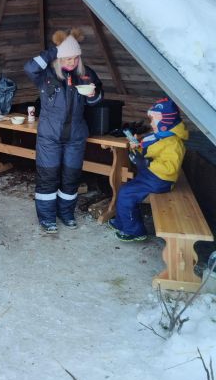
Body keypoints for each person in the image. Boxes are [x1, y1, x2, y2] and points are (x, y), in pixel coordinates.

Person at [24, 28, 103, 233]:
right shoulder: (46, 74)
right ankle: (47, 218)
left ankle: (66, 213)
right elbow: (30, 67)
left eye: (75, 58)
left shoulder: (85, 74)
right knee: (48, 177)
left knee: (71, 177)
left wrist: (93, 94)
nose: (72, 63)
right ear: (59, 58)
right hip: (49, 136)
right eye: (67, 59)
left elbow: (97, 101)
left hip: (75, 137)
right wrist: (55, 50)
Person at [109, 97, 188, 242]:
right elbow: (146, 149)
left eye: (153, 120)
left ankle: (134, 231)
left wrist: (147, 163)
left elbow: (170, 168)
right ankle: (122, 222)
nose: (151, 123)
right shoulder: (159, 136)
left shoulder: (174, 143)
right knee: (125, 189)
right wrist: (136, 146)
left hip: (160, 180)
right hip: (149, 176)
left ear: (165, 122)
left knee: (127, 193)